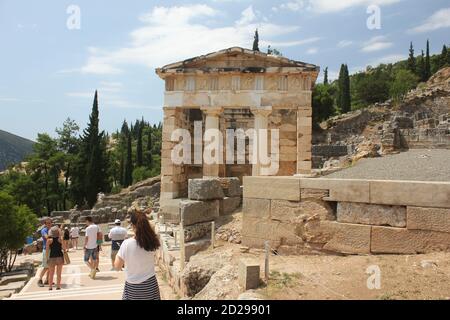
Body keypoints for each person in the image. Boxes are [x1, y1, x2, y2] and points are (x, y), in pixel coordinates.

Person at [114, 211, 161, 300]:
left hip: (133, 288)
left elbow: (117, 267)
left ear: (132, 225)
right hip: (150, 286)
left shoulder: (126, 244)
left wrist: (120, 256)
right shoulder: (152, 242)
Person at [46, 226, 66, 290]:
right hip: (59, 257)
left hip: (51, 257)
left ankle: (50, 287)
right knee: (59, 273)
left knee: (51, 273)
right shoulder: (60, 239)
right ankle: (58, 286)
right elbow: (64, 248)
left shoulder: (49, 240)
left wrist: (47, 259)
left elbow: (47, 251)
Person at [37, 218, 52, 287]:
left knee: (50, 266)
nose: (49, 224)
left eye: (50, 223)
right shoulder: (44, 230)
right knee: (46, 266)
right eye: (48, 223)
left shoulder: (51, 230)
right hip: (46, 250)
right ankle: (39, 280)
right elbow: (47, 237)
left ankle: (47, 280)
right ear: (45, 224)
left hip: (51, 250)